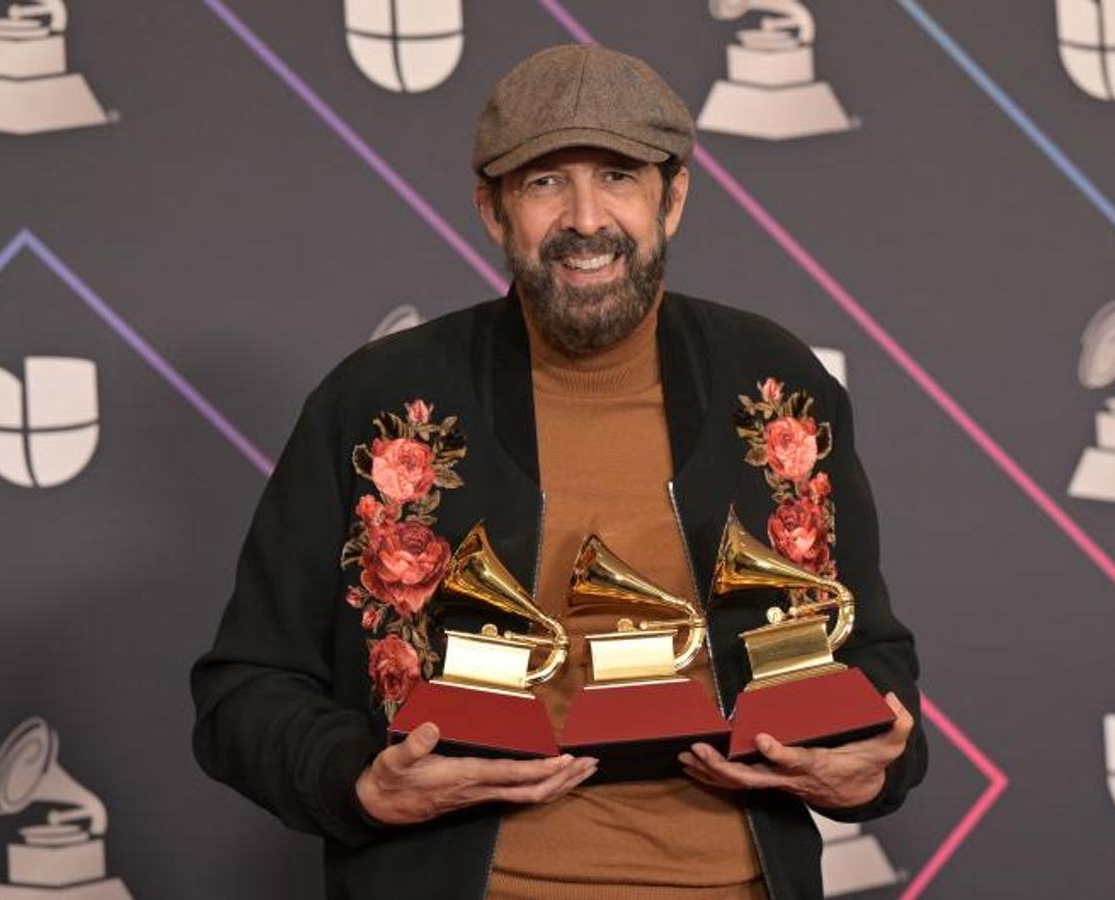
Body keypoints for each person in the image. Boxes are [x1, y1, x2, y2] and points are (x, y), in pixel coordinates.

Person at [191, 44, 925, 900]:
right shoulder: (378, 402)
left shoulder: (778, 386)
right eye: (543, 182)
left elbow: (867, 651)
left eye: (617, 176)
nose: (584, 218)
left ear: (672, 197)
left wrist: (877, 767)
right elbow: (244, 689)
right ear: (492, 211)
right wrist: (361, 781)